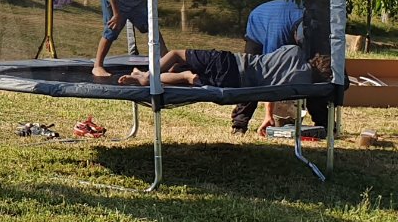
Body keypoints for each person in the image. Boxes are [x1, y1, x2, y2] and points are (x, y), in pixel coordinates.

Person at [117, 46, 332, 138]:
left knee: (175, 55)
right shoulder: (305, 86)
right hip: (234, 81)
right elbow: (275, 90)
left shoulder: (295, 51)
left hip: (232, 61)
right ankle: (158, 77)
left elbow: (271, 55)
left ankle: (147, 76)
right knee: (188, 77)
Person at [231, 0, 305, 134]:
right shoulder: (278, 35)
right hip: (259, 22)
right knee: (251, 77)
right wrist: (268, 115)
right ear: (294, 36)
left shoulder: (315, 22)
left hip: (282, 14)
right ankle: (239, 124)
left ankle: (325, 125)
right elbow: (268, 74)